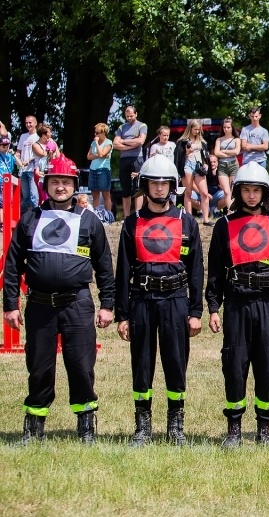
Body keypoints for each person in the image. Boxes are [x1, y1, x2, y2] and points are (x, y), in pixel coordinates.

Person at [3, 155, 114, 445]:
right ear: (46, 185)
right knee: (39, 366)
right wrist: (10, 304)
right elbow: (13, 264)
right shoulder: (30, 219)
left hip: (77, 304)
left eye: (66, 182)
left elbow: (104, 265)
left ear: (75, 185)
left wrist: (107, 305)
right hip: (39, 305)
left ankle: (86, 424)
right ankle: (34, 424)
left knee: (81, 365)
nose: (61, 187)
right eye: (55, 182)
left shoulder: (89, 221)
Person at [206, 162, 269, 448]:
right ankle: (234, 428)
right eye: (246, 190)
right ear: (238, 192)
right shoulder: (224, 225)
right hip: (236, 303)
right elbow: (214, 270)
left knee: (266, 366)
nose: (251, 196)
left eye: (256, 190)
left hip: (267, 303)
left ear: (265, 193)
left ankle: (265, 428)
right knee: (234, 365)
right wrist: (213, 307)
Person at [114, 154, 204, 447]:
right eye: (154, 183)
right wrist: (123, 315)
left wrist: (195, 311)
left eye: (165, 183)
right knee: (141, 364)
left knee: (176, 363)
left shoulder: (187, 222)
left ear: (173, 186)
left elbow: (196, 270)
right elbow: (122, 271)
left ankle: (175, 425)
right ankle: (143, 425)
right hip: (141, 299)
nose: (159, 188)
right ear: (145, 185)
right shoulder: (132, 223)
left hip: (176, 299)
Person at [175, 119, 213, 226]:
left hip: (198, 166)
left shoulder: (202, 142)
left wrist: (206, 163)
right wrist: (187, 152)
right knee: (188, 193)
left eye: (198, 129)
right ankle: (189, 219)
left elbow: (206, 155)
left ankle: (205, 219)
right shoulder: (182, 141)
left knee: (204, 193)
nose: (197, 131)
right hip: (187, 166)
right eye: (195, 129)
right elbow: (179, 157)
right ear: (190, 129)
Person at [113, 106, 148, 218]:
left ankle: (138, 214)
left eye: (131, 116)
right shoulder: (121, 127)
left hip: (137, 159)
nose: (129, 118)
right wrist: (130, 145)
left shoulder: (142, 126)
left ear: (136, 114)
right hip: (124, 159)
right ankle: (126, 216)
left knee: (138, 187)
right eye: (127, 116)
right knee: (125, 188)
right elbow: (115, 144)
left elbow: (141, 141)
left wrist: (123, 141)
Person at [213, 117, 241, 211]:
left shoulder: (236, 139)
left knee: (233, 190)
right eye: (224, 127)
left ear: (232, 128)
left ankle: (232, 211)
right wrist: (230, 153)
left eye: (228, 127)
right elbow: (216, 153)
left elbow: (237, 152)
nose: (226, 129)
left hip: (233, 165)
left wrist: (223, 151)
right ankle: (230, 210)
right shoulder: (219, 140)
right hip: (222, 166)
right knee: (226, 191)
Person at [31, 123, 60, 205]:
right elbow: (44, 155)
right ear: (43, 135)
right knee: (41, 196)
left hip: (52, 171)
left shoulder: (52, 143)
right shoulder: (35, 145)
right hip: (39, 171)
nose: (51, 134)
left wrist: (55, 145)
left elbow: (58, 156)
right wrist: (50, 148)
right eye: (49, 132)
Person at [87, 123, 113, 210]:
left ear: (103, 133)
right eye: (95, 132)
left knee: (106, 195)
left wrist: (97, 144)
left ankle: (108, 215)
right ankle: (96, 215)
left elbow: (102, 153)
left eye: (97, 133)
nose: (95, 135)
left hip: (103, 170)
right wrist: (99, 155)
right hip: (93, 169)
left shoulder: (108, 143)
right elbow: (88, 156)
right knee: (95, 195)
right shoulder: (93, 143)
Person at [16, 116, 39, 212]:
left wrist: (29, 160)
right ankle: (25, 218)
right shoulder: (23, 136)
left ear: (35, 123)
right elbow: (19, 151)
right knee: (25, 196)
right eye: (26, 123)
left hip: (33, 169)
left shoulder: (38, 136)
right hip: (23, 170)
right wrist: (16, 156)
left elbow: (40, 153)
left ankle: (36, 217)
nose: (28, 125)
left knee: (34, 195)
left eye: (30, 122)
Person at [0, 137, 14, 230]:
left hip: (9, 181)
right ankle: (2, 223)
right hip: (1, 181)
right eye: (3, 145)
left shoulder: (10, 156)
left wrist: (14, 155)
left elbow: (13, 167)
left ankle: (8, 221)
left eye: (7, 145)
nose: (6, 147)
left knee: (10, 202)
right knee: (1, 203)